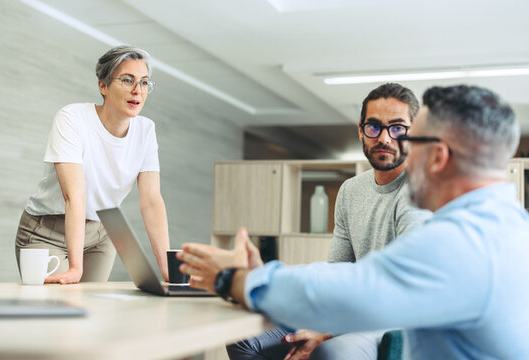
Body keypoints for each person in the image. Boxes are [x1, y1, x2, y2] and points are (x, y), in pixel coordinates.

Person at [180, 85, 529, 359]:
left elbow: (360, 289)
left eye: (410, 139)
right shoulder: (508, 227)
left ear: (437, 156)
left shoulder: (461, 242)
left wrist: (234, 279)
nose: (400, 149)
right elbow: (342, 274)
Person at [227, 83, 432, 360]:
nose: (384, 138)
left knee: (329, 352)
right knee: (243, 340)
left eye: (397, 128)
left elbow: (399, 287)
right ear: (360, 130)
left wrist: (328, 331)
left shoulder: (420, 190)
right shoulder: (350, 190)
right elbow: (337, 271)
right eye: (374, 127)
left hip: (394, 318)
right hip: (348, 308)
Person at [15, 45, 170, 285]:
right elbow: (75, 195)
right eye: (127, 80)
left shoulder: (146, 130)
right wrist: (76, 268)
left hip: (102, 232)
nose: (137, 91)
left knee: (92, 304)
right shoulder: (72, 118)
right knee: (60, 303)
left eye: (143, 82)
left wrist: (168, 269)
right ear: (103, 86)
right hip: (48, 231)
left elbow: (151, 201)